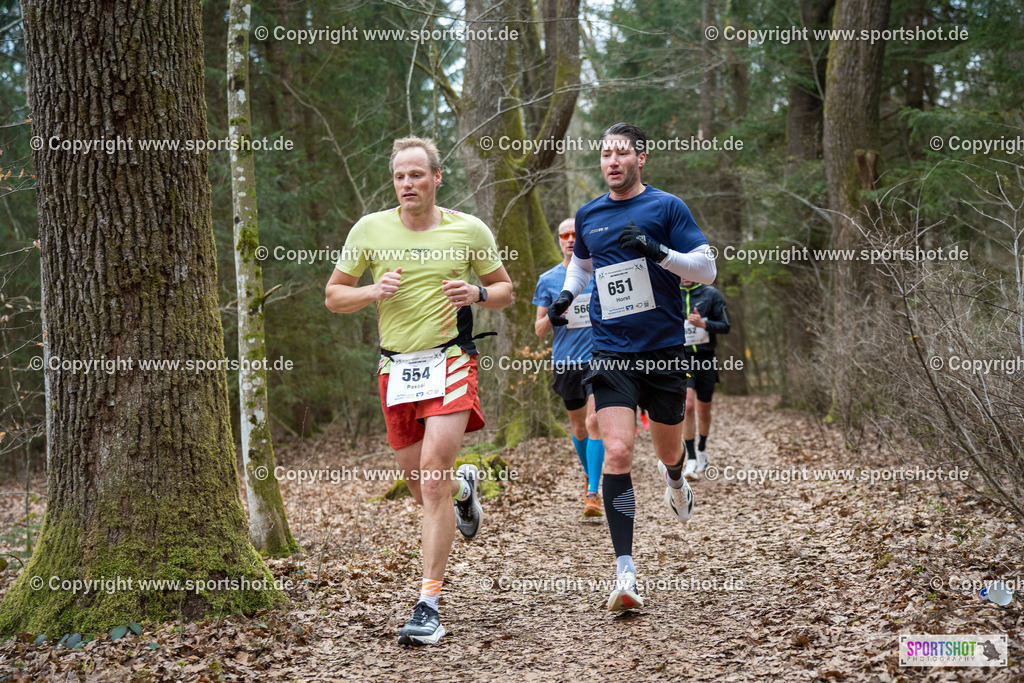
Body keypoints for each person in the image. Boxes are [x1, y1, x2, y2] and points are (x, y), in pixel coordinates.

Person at [325, 137, 513, 645]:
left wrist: (475, 292)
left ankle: (428, 604)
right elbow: (333, 295)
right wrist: (371, 291)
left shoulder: (467, 229)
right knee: (419, 482)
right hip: (397, 368)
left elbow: (504, 291)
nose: (407, 184)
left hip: (451, 360)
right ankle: (463, 494)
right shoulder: (370, 230)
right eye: (399, 177)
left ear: (436, 178)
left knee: (431, 481)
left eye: (416, 175)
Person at [547, 122, 716, 611]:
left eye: (621, 153)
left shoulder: (666, 207)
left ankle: (675, 480)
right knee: (617, 450)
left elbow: (706, 267)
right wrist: (565, 295)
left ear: (641, 159)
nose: (612, 161)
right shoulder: (590, 213)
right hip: (611, 350)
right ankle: (626, 573)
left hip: (662, 350)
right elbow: (582, 265)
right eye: (605, 154)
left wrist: (659, 252)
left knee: (667, 451)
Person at [534, 218, 604, 517]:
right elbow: (538, 330)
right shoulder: (548, 279)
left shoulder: (599, 272)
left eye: (576, 234)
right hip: (566, 362)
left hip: (600, 358)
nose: (571, 239)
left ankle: (593, 492)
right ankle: (590, 474)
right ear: (558, 240)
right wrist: (552, 314)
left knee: (594, 422)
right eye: (565, 234)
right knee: (578, 427)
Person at [680, 280, 730, 480]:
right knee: (688, 405)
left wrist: (704, 324)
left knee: (704, 409)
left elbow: (726, 326)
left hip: (706, 359)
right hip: (683, 360)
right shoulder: (671, 294)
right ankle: (690, 459)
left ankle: (702, 449)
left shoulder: (711, 294)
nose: (685, 276)